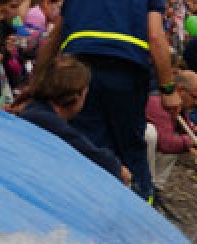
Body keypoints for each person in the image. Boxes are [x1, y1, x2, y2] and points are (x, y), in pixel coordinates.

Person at [34, 0, 180, 201]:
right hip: (125, 70)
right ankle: (140, 207)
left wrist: (36, 82)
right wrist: (168, 89)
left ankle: (88, 202)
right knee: (130, 146)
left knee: (89, 145)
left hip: (79, 69)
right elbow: (156, 36)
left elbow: (56, 35)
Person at [17, 55, 126, 184]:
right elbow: (96, 158)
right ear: (78, 96)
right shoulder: (45, 121)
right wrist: (119, 169)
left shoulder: (35, 111)